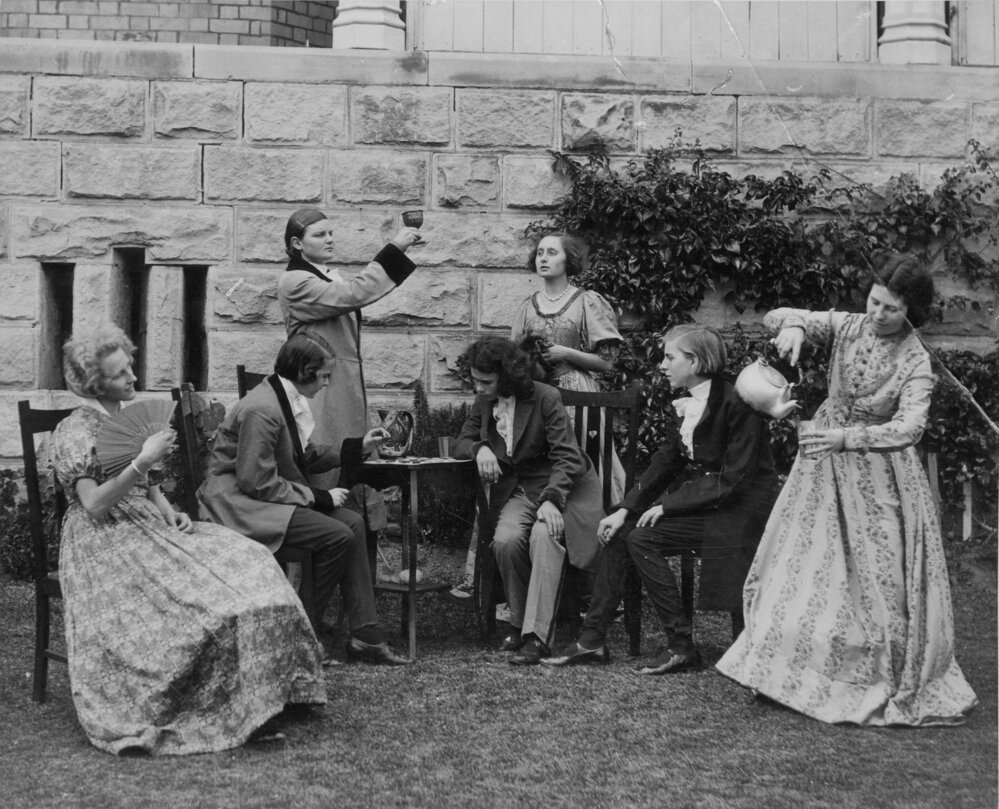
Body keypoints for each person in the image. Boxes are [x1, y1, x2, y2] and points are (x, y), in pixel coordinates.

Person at [716, 254, 979, 726]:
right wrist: (794, 326)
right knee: (804, 562)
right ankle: (785, 671)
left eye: (891, 309)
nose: (878, 314)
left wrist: (848, 438)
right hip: (821, 466)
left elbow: (910, 427)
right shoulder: (848, 324)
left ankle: (871, 674)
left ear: (911, 312)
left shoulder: (916, 360)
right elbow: (776, 315)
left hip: (880, 475)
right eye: (875, 301)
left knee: (878, 579)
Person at [50, 323, 325, 756]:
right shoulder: (76, 431)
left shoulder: (127, 420)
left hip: (150, 526)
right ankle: (224, 702)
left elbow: (151, 488)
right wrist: (141, 462)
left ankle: (272, 690)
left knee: (250, 560)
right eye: (122, 375)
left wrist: (168, 510)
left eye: (130, 369)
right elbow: (96, 505)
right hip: (103, 541)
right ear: (95, 383)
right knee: (206, 605)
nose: (134, 379)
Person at [543, 326, 778, 673]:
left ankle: (680, 645)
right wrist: (625, 509)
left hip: (741, 513)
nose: (662, 365)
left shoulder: (736, 403)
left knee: (642, 538)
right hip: (711, 505)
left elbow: (734, 480)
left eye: (670, 357)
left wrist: (667, 506)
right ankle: (591, 641)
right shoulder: (686, 402)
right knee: (623, 532)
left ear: (695, 361)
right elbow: (666, 461)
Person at [198, 333, 411, 666]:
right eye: (324, 375)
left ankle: (366, 636)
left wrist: (357, 446)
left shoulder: (284, 397)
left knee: (352, 523)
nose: (327, 383)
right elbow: (255, 481)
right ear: (303, 371)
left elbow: (302, 455)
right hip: (237, 504)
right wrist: (320, 496)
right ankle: (298, 633)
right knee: (338, 535)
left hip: (259, 496)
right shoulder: (263, 409)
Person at [450, 233, 625, 603]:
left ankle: (593, 585)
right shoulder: (527, 306)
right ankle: (510, 580)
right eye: (540, 252)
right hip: (532, 399)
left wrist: (565, 351)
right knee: (523, 472)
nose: (543, 258)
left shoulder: (586, 302)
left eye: (552, 252)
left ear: (569, 260)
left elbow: (608, 362)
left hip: (577, 400)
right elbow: (512, 362)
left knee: (582, 481)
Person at [452, 337, 605, 665]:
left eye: (486, 381)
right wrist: (480, 449)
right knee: (505, 540)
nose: (478, 388)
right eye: (475, 380)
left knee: (542, 535)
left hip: (564, 488)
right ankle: (519, 623)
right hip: (520, 491)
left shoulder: (545, 397)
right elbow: (461, 441)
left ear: (506, 377)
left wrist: (552, 499)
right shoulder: (484, 403)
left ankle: (536, 637)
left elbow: (567, 456)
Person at [277, 207, 422, 489]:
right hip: (319, 391)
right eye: (319, 235)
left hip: (339, 385)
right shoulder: (294, 281)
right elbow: (353, 294)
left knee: (353, 467)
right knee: (330, 467)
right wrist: (394, 249)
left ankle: (357, 529)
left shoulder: (321, 277)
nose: (329, 239)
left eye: (330, 233)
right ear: (297, 244)